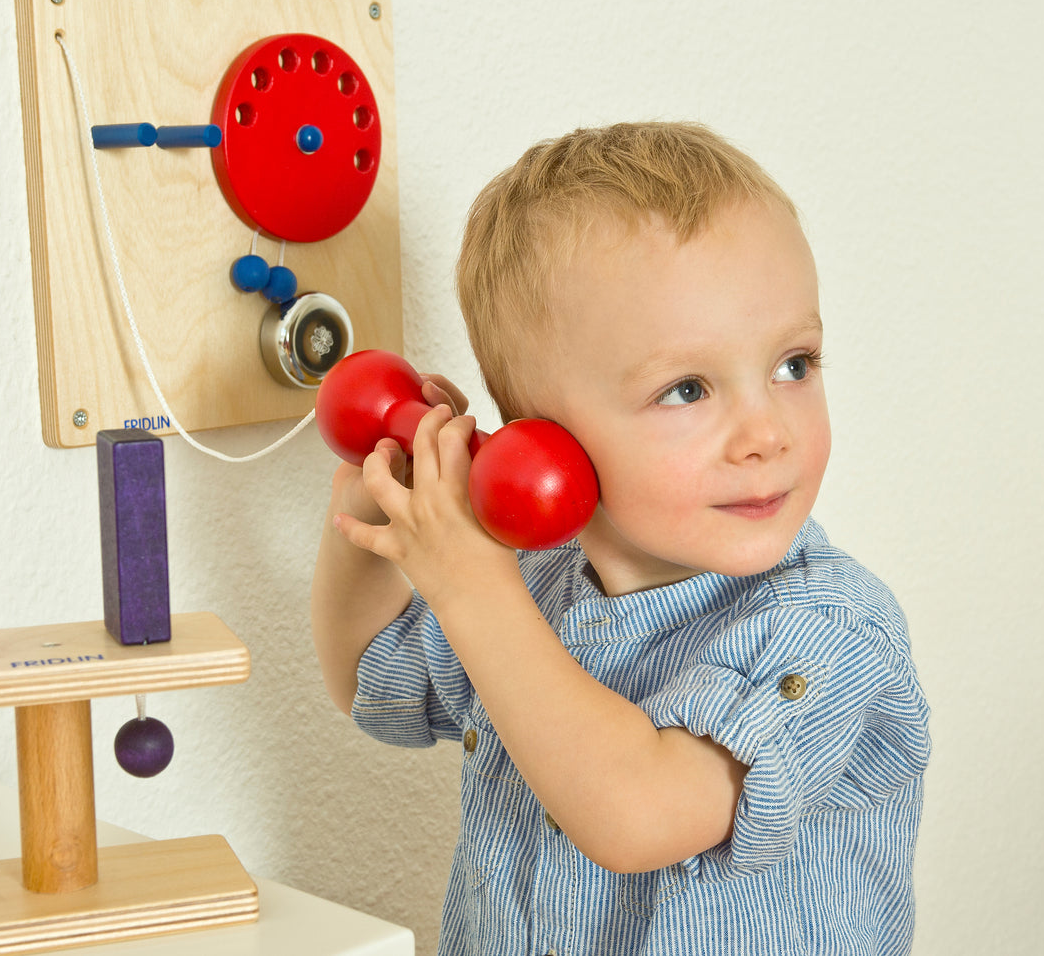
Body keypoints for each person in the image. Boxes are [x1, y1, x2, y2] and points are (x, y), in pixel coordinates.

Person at [311, 121, 930, 955]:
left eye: (795, 364)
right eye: (687, 388)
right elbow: (367, 680)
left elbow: (640, 814)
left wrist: (471, 586)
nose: (766, 432)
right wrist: (376, 516)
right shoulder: (526, 585)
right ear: (540, 441)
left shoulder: (828, 629)